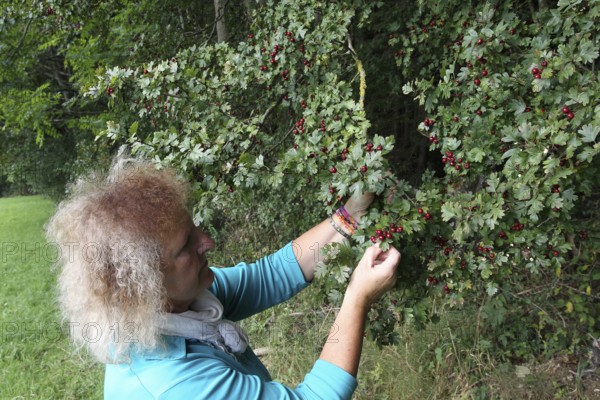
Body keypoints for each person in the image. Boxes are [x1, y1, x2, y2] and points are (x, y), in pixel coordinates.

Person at [45, 156, 401, 399]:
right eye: (186, 245)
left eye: (194, 229)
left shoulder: (182, 304)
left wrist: (350, 216)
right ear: (145, 285)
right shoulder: (175, 383)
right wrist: (357, 298)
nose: (208, 242)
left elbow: (270, 275)